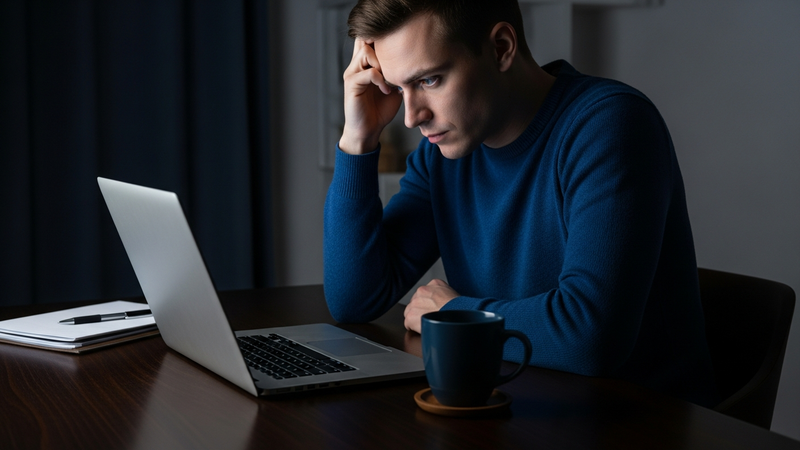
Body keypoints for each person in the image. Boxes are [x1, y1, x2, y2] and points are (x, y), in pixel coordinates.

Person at [323, 0, 716, 407]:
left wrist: (456, 315)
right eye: (397, 87)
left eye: (430, 80)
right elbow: (355, 298)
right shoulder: (442, 154)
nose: (411, 117)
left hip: (636, 424)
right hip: (510, 405)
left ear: (501, 48)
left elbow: (591, 338)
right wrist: (358, 138)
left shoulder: (610, 125)